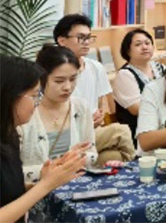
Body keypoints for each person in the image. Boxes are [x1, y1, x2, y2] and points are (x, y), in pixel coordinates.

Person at [1, 56, 86, 223]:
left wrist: (51, 179)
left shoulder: (9, 136)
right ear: (10, 97)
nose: (37, 103)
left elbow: (9, 191)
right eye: (34, 96)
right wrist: (45, 185)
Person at [54, 14, 135, 163]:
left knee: (114, 156)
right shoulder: (53, 71)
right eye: (81, 38)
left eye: (89, 38)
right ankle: (136, 168)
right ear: (62, 40)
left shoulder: (96, 67)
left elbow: (100, 104)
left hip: (92, 132)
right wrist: (86, 122)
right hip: (68, 134)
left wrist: (98, 118)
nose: (86, 42)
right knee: (121, 131)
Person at [19, 45, 97, 184]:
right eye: (59, 81)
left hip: (76, 184)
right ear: (42, 80)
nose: (68, 87)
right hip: (35, 189)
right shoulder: (26, 112)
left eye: (73, 79)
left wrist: (80, 157)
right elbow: (11, 174)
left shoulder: (80, 107)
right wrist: (59, 165)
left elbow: (92, 154)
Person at [112, 29, 165, 141]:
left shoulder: (160, 68)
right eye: (138, 44)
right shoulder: (125, 75)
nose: (144, 47)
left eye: (147, 43)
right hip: (139, 134)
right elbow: (137, 109)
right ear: (128, 51)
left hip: (163, 126)